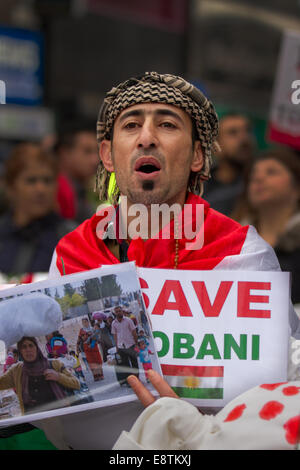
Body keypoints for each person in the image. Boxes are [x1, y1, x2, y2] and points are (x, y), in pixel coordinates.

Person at [41, 71, 300, 450]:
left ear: (197, 155)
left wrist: (196, 432)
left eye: (166, 123)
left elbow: (283, 390)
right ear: (108, 155)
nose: (147, 136)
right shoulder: (71, 253)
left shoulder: (242, 252)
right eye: (131, 125)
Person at [231, 147, 300, 305]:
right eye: (253, 176)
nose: (258, 178)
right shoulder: (232, 243)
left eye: (271, 172)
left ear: (296, 188)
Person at [0, 143, 75, 276]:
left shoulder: (71, 239)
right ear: (11, 186)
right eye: (31, 181)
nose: (41, 189)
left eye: (47, 181)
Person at [0, 337, 80, 415]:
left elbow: (76, 384)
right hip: (34, 422)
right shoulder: (16, 370)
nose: (28, 350)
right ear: (20, 351)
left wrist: (59, 377)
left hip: (61, 417)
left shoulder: (55, 364)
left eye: (31, 345)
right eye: (24, 347)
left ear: (37, 348)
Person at [203, 113, 256, 216]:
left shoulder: (258, 187)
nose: (244, 138)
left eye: (248, 130)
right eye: (233, 133)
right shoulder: (197, 186)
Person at [54, 123, 99, 224]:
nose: (95, 160)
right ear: (65, 153)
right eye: (87, 151)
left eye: (97, 152)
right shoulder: (54, 190)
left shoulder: (82, 190)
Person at [111, 306, 139, 385]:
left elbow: (134, 332)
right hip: (121, 347)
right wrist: (116, 347)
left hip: (131, 345)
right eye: (117, 311)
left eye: (120, 311)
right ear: (115, 313)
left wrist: (136, 344)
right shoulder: (114, 323)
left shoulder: (128, 320)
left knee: (134, 363)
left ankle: (137, 379)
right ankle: (131, 381)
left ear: (122, 311)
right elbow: (115, 335)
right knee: (125, 365)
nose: (118, 312)